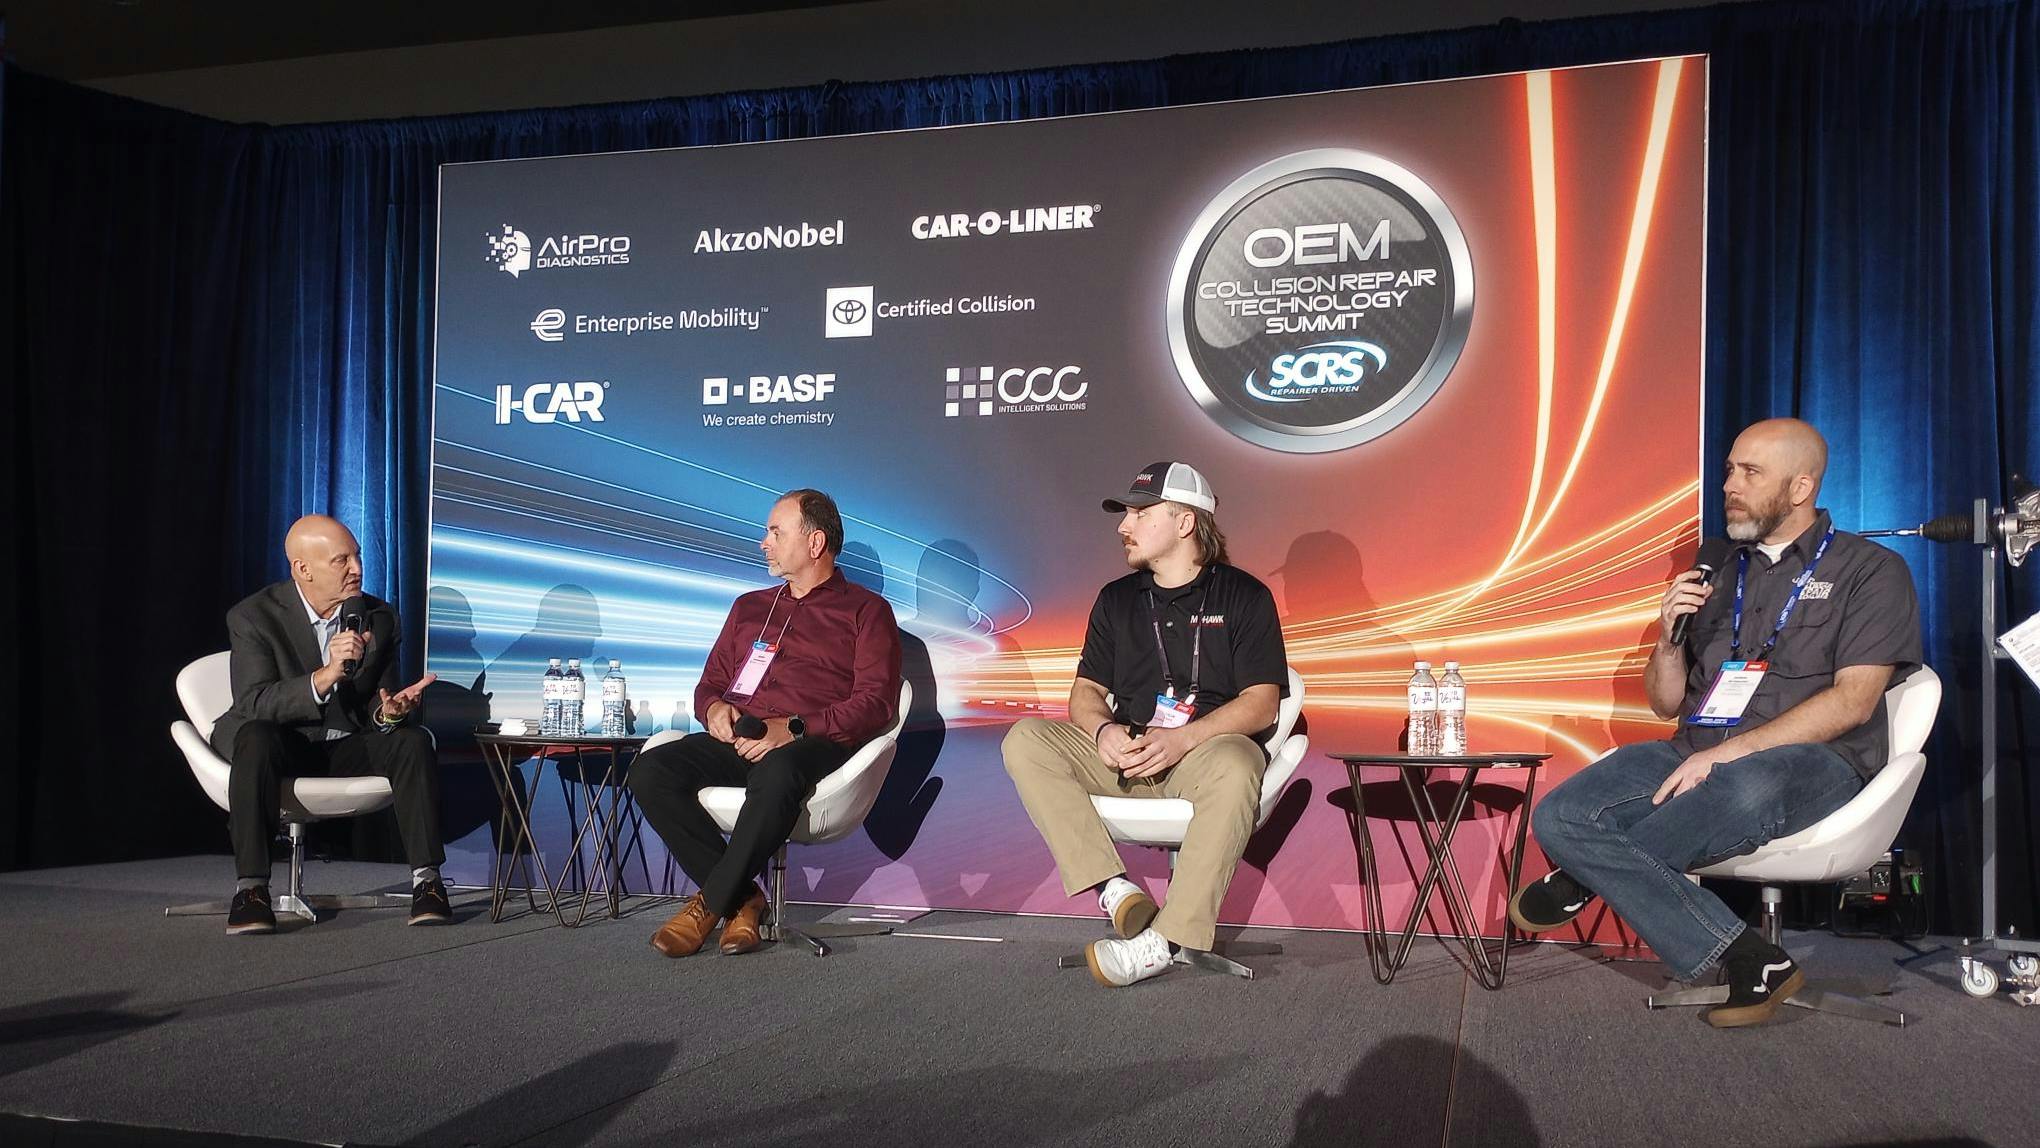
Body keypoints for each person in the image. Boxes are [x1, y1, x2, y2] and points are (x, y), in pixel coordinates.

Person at [1511, 418, 1922, 1027]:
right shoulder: (1716, 565)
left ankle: (1583, 875)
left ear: (1801, 485)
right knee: (1562, 814)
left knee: (1739, 785)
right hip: (1695, 745)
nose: (1730, 484)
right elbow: (1664, 702)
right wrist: (1668, 638)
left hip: (1814, 760)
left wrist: (1727, 755)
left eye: (1750, 473)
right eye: (1730, 468)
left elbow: (1853, 703)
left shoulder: (1871, 571)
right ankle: (1750, 955)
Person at [1003, 462, 1289, 987]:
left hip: (1201, 751)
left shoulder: (1245, 597)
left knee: (1240, 759)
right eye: (1125, 513)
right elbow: (1085, 693)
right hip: (1126, 750)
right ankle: (1115, 890)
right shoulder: (1117, 599)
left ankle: (1165, 940)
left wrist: (1183, 739)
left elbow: (1262, 703)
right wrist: (1103, 733)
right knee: (1026, 738)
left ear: (1184, 522)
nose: (1123, 525)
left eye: (1139, 512)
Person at [629, 489, 903, 957]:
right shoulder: (749, 608)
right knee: (651, 769)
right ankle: (744, 900)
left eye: (775, 532)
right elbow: (709, 685)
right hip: (740, 735)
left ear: (815, 543)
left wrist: (793, 728)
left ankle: (710, 904)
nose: (764, 542)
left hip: (814, 741)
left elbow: (877, 704)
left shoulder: (866, 611)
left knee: (778, 773)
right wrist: (713, 709)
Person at [210, 516, 447, 934]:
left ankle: (427, 883)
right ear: (304, 569)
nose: (357, 568)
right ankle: (251, 890)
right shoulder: (254, 616)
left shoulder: (379, 617)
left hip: (346, 745)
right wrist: (328, 673)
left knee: (412, 740)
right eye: (342, 560)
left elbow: (378, 708)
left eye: (357, 556)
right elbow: (255, 701)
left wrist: (390, 712)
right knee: (255, 736)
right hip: (283, 742)